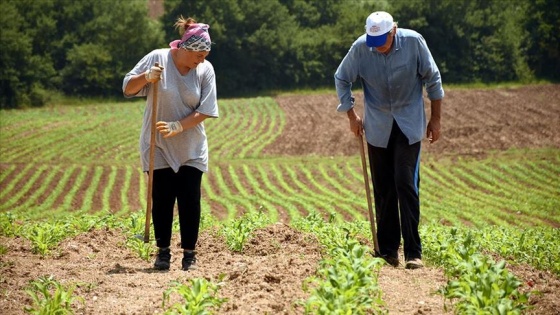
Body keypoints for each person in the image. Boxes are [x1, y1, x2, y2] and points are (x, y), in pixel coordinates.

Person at [334, 11, 443, 269]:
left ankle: (413, 252)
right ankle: (388, 250)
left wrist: (436, 119)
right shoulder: (361, 48)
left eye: (382, 39)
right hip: (377, 127)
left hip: (409, 124)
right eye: (374, 40)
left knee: (405, 183)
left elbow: (433, 79)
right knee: (383, 188)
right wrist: (351, 114)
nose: (378, 46)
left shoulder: (414, 42)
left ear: (393, 31)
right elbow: (341, 78)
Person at [122, 16, 218, 271]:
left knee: (189, 199)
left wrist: (179, 126)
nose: (202, 59)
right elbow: (128, 88)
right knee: (162, 198)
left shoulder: (205, 70)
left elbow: (207, 109)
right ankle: (162, 252)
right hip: (158, 144)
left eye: (205, 54)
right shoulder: (158, 58)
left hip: (191, 145)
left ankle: (189, 254)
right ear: (185, 49)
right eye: (199, 55)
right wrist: (146, 77)